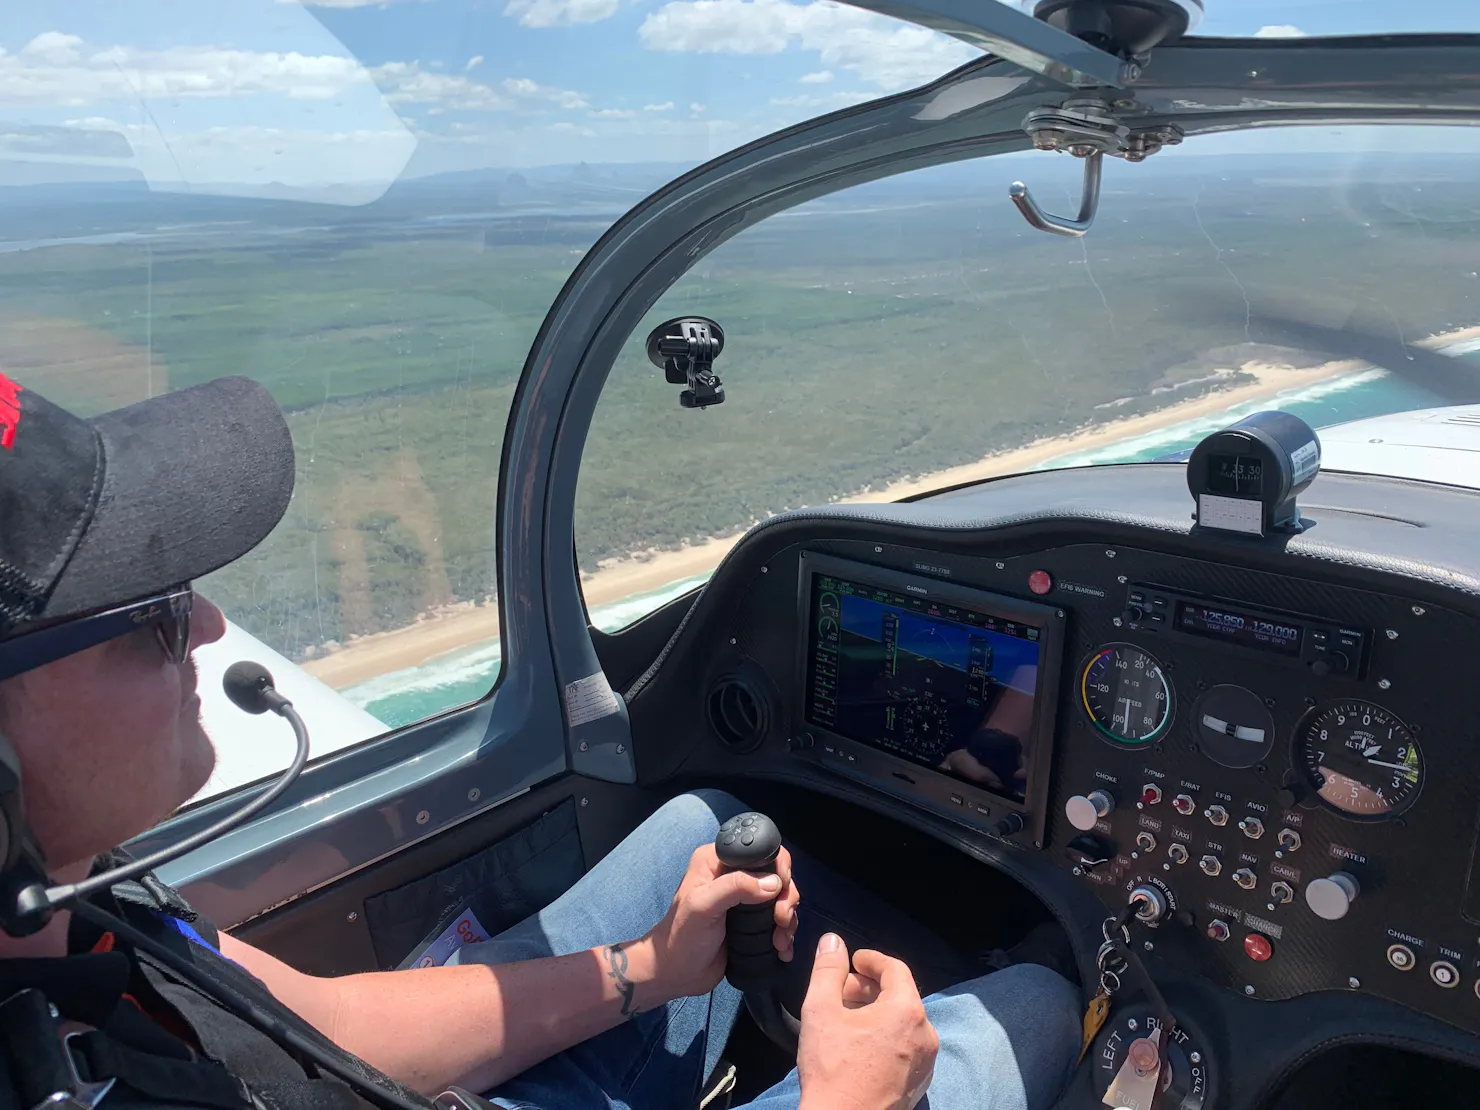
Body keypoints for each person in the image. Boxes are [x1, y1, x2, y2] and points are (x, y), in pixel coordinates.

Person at [0, 375, 1081, 1110]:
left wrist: (645, 968)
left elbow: (314, 1024)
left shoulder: (78, 908)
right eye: (147, 612)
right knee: (1036, 1003)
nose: (208, 627)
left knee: (700, 827)